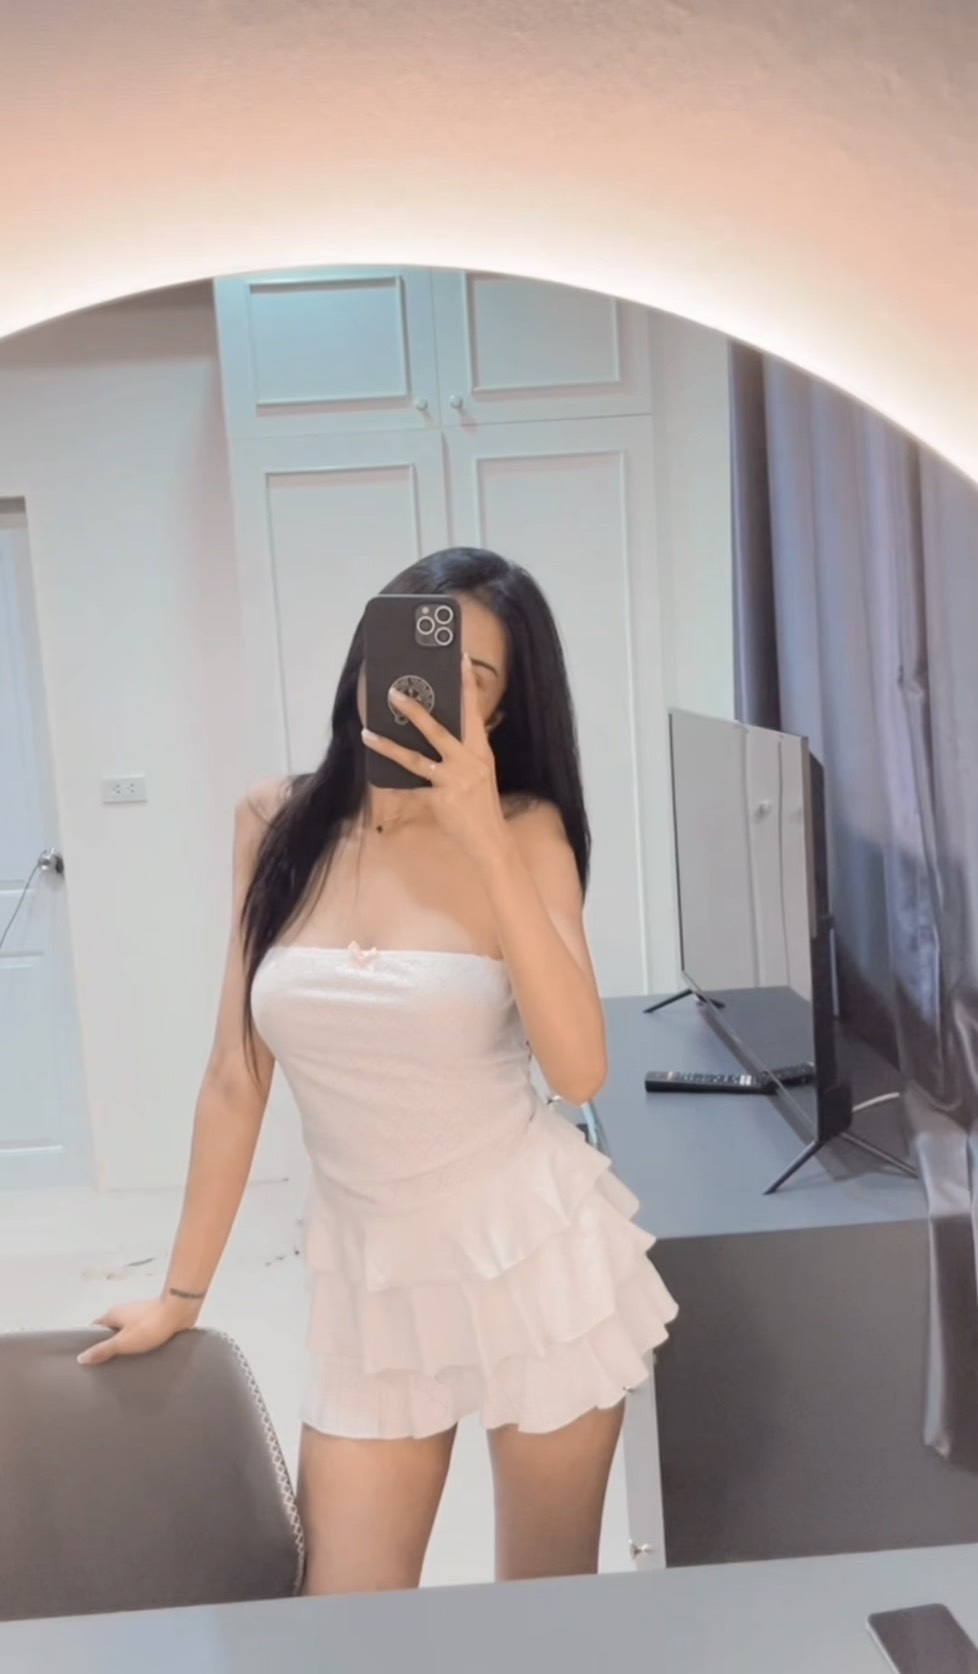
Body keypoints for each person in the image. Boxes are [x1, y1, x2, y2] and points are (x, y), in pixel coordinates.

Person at [79, 547, 678, 1594]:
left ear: (499, 712)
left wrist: (484, 839)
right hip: (370, 1282)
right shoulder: (275, 823)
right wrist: (181, 1294)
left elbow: (580, 1070)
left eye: (475, 676)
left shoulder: (527, 832)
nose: (434, 688)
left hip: (532, 1260)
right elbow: (235, 1074)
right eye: (418, 649)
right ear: (370, 653)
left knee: (545, 1622)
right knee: (343, 1625)